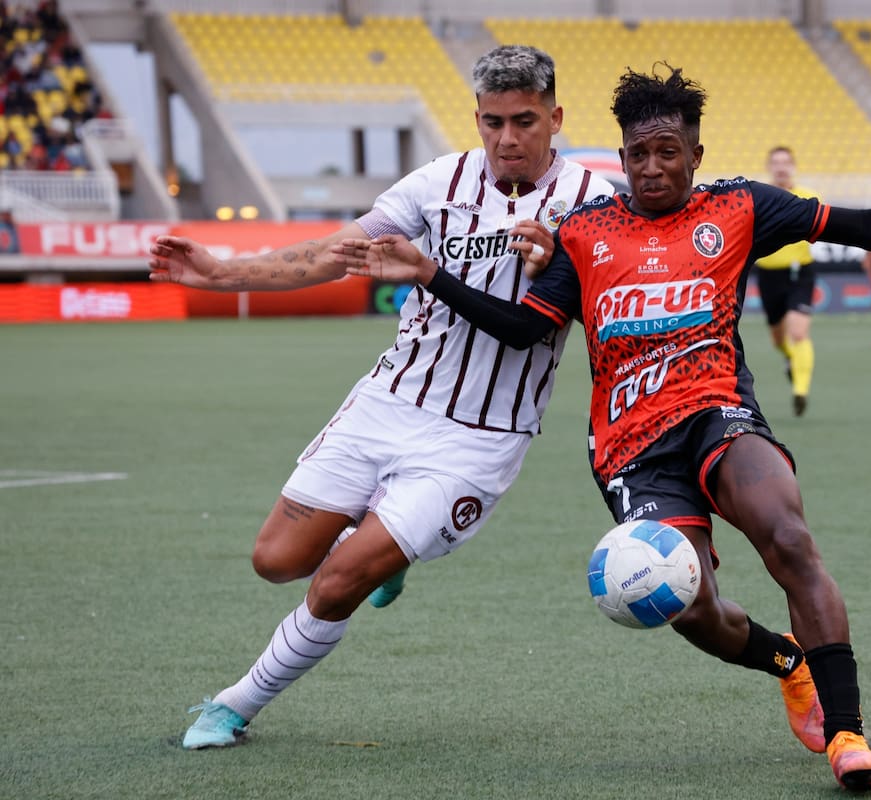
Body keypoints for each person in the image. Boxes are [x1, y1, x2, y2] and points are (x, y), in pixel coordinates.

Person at [336, 63, 871, 793]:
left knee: (788, 538)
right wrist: (431, 274)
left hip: (719, 413)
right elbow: (524, 329)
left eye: (669, 153)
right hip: (631, 450)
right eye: (638, 154)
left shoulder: (740, 209)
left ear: (696, 154)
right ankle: (787, 664)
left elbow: (860, 226)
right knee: (689, 607)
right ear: (622, 158)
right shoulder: (585, 233)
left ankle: (848, 732)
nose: (653, 168)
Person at [146, 45, 615, 750]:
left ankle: (233, 704)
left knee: (338, 582)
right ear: (477, 118)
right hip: (389, 401)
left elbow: (609, 305)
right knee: (275, 560)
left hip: (478, 438)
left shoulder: (593, 202)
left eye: (524, 120)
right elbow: (339, 251)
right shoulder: (438, 183)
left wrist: (564, 268)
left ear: (556, 117)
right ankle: (375, 547)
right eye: (493, 122)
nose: (507, 138)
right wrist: (220, 272)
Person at [752, 145, 820, 415]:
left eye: (785, 162)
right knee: (778, 340)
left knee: (799, 332)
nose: (781, 167)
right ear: (770, 167)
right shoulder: (758, 197)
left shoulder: (808, 197)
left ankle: (800, 390)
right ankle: (792, 361)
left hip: (799, 271)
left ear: (793, 166)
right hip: (768, 274)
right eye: (776, 162)